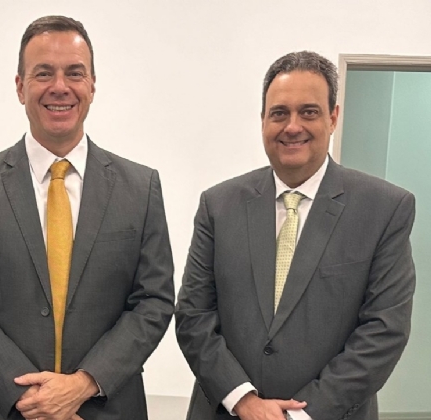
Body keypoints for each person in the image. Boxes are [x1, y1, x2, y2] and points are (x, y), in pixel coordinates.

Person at [0, 15, 175, 420]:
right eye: (43, 73)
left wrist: (83, 383)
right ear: (20, 86)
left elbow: (154, 301)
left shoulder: (141, 188)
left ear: (92, 85)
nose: (60, 87)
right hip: (1, 407)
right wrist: (34, 398)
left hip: (104, 406)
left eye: (75, 73)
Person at [175, 51, 416, 420]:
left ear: (333, 117)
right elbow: (193, 316)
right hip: (227, 411)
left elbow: (383, 331)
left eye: (309, 112)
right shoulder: (218, 205)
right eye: (279, 113)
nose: (292, 126)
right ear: (262, 120)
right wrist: (244, 401)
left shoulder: (384, 208)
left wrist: (300, 415)